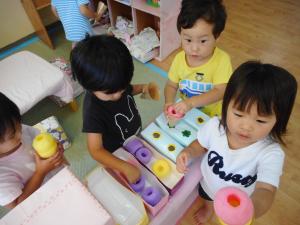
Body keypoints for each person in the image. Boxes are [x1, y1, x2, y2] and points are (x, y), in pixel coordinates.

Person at [176, 61, 297, 224]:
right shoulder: (214, 126)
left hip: (238, 201)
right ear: (226, 106)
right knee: (206, 196)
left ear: (278, 121)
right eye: (239, 114)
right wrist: (188, 152)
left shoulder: (271, 153)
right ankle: (208, 207)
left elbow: (266, 189)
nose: (246, 127)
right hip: (208, 183)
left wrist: (248, 209)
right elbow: (201, 144)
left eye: (260, 120)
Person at [70, 35, 154, 183]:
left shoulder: (115, 84)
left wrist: (144, 88)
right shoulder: (93, 110)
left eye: (121, 89)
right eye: (110, 93)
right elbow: (95, 150)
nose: (118, 95)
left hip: (133, 138)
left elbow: (130, 89)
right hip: (116, 153)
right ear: (88, 86)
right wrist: (124, 167)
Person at [164, 0, 232, 118]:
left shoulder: (222, 60)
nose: (194, 48)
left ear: (217, 37)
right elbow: (171, 85)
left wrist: (191, 102)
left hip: (213, 116)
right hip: (187, 113)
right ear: (181, 34)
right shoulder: (179, 59)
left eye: (203, 41)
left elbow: (221, 91)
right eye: (188, 40)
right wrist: (169, 102)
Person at [0, 93, 64, 208]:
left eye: (19, 124)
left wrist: (55, 150)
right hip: (44, 205)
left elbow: (36, 139)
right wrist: (40, 172)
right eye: (12, 135)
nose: (20, 132)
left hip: (62, 181)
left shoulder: (17, 128)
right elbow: (18, 206)